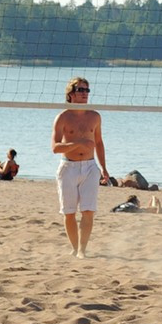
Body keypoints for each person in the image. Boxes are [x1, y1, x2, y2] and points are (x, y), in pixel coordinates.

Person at [51, 78, 110, 258]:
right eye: (80, 90)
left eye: (87, 90)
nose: (85, 93)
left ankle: (82, 250)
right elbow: (55, 148)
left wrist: (104, 168)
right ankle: (74, 247)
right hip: (68, 167)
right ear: (71, 94)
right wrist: (78, 143)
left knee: (88, 211)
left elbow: (99, 143)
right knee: (69, 213)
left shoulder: (95, 116)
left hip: (90, 167)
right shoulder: (63, 117)